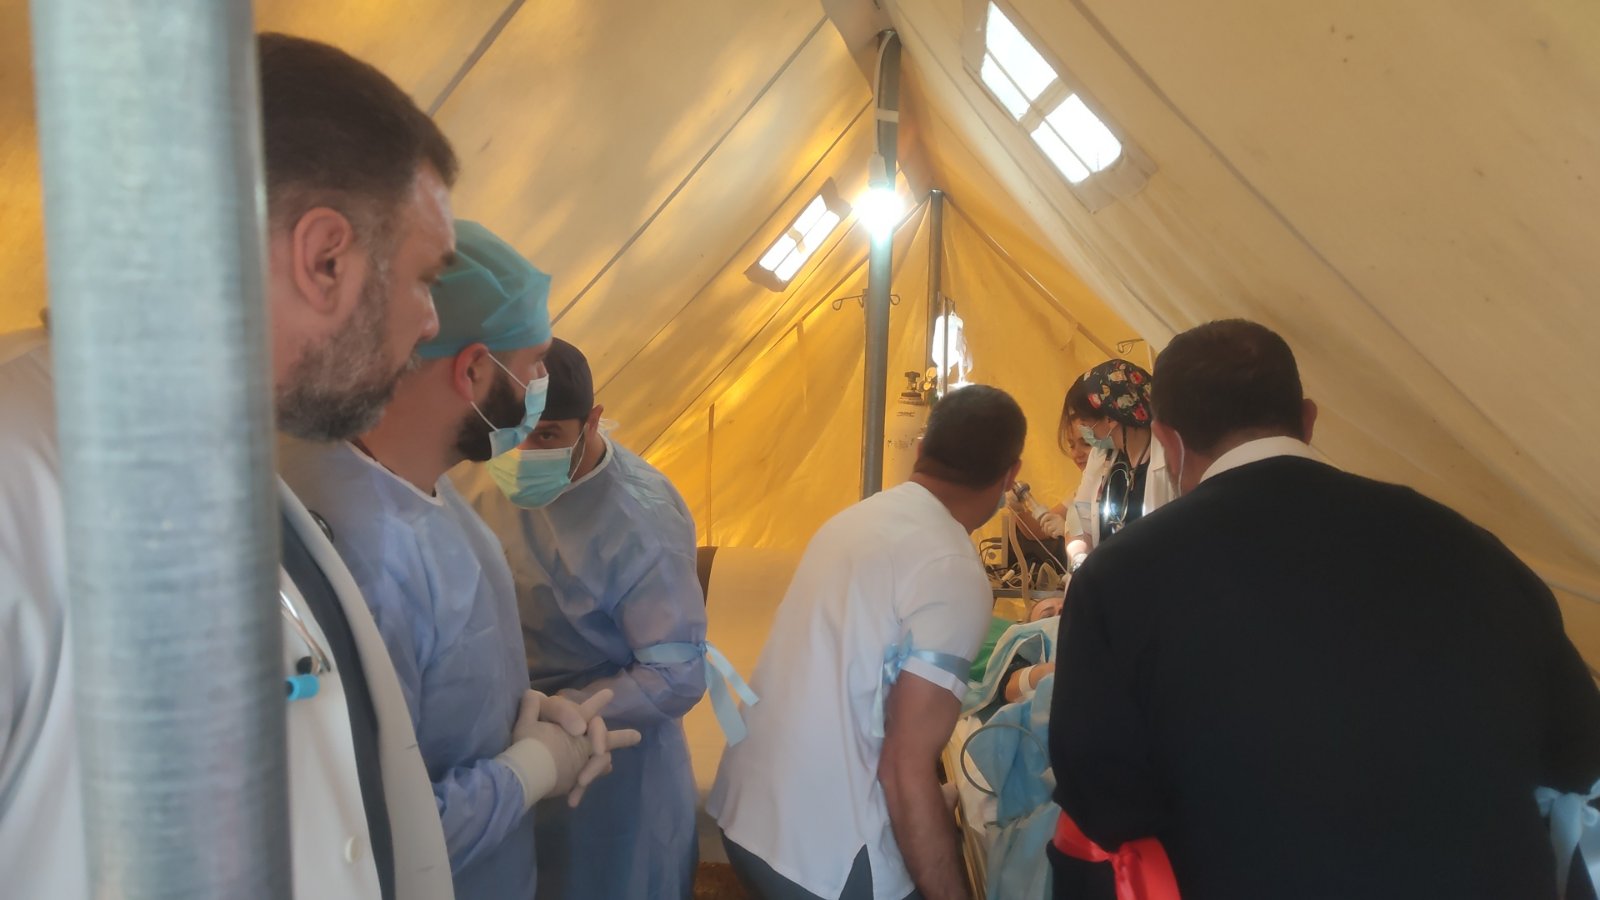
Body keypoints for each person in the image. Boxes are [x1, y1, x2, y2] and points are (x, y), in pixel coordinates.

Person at [1, 33, 472, 899]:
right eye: (424, 277)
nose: (433, 321)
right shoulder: (14, 487)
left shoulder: (237, 470)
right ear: (325, 259)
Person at [1048, 319, 1600, 899]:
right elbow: (1578, 754)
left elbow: (1102, 804)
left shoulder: (1119, 579)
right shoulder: (1471, 547)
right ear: (1308, 420)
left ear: (1168, 439)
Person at [280, 220, 641, 899]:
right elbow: (376, 840)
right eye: (533, 364)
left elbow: (439, 686)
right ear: (472, 370)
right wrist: (530, 769)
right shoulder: (365, 556)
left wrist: (522, 715)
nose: (541, 382)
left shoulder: (420, 483)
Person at [711, 384, 1028, 900]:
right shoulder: (952, 569)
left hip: (748, 814)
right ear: (1011, 475)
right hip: (820, 860)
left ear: (920, 450)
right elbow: (904, 767)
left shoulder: (858, 520)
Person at [454, 337, 711, 900]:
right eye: (514, 433)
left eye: (548, 436)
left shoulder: (639, 524)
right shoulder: (475, 474)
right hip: (506, 743)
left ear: (592, 422)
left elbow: (677, 674)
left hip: (609, 757)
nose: (524, 453)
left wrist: (566, 714)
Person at [1060, 359, 1172, 548]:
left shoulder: (1170, 458)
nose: (1083, 429)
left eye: (1085, 422)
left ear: (1110, 418)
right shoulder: (1101, 456)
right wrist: (1078, 551)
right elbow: (1079, 513)